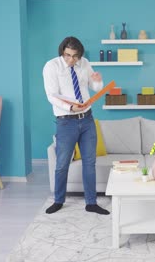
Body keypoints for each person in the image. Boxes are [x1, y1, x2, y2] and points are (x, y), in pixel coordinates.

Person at [43, 36, 109, 215]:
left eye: (75, 56)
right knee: (62, 164)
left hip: (87, 119)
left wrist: (97, 80)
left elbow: (95, 87)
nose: (71, 60)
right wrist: (70, 106)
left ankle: (91, 202)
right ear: (62, 52)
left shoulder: (85, 63)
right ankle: (58, 200)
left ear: (80, 55)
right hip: (66, 121)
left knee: (90, 162)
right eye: (67, 55)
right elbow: (51, 95)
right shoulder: (52, 66)